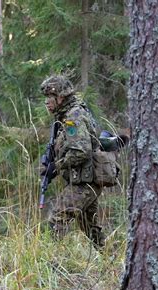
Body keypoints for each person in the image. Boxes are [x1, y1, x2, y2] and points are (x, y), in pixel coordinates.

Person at [40, 74, 105, 247]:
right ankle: (108, 260)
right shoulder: (67, 116)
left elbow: (81, 151)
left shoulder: (72, 117)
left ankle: (51, 263)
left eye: (49, 97)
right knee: (90, 227)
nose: (46, 102)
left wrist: (57, 165)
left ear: (61, 97)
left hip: (85, 182)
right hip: (86, 180)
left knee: (57, 218)